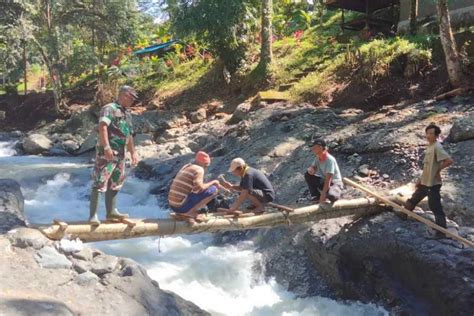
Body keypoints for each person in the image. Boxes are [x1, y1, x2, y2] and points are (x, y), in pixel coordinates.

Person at [89, 85, 139, 225]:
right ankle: (93, 216)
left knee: (116, 182)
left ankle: (111, 212)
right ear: (123, 95)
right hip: (108, 152)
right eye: (131, 98)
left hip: (121, 153)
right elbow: (102, 126)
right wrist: (106, 147)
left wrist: (133, 152)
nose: (132, 101)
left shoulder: (126, 113)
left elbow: (128, 134)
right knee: (100, 181)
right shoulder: (109, 108)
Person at [404, 124, 454, 238]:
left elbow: (449, 160)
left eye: (431, 133)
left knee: (435, 207)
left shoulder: (437, 147)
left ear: (436, 135)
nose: (428, 135)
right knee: (413, 199)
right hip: (425, 182)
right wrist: (420, 180)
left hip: (433, 184)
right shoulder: (430, 147)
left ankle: (441, 232)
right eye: (427, 133)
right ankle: (404, 214)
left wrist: (438, 170)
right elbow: (427, 167)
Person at [168, 151, 220, 221]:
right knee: (214, 189)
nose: (206, 168)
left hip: (173, 206)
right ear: (205, 164)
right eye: (206, 166)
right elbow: (199, 189)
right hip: (181, 206)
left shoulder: (186, 166)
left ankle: (183, 213)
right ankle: (190, 213)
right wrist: (214, 182)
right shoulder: (199, 169)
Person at [305, 139, 343, 203]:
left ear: (320, 147)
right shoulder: (317, 158)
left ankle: (336, 192)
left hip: (335, 183)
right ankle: (316, 196)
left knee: (332, 196)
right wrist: (311, 170)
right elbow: (313, 167)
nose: (313, 149)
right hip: (326, 181)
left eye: (314, 148)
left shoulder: (330, 160)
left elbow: (329, 179)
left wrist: (323, 195)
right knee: (307, 175)